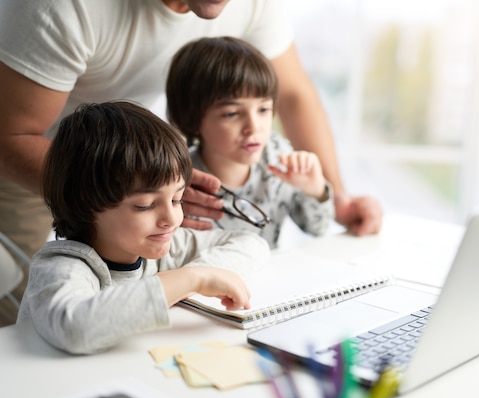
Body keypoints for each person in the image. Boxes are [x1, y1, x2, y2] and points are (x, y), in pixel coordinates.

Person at [0, 0, 382, 325]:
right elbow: (9, 136)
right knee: (21, 315)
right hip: (36, 154)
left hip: (129, 154)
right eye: (232, 113)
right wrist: (129, 189)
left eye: (177, 199)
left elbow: (294, 95)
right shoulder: (66, 8)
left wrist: (338, 197)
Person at [17, 101, 270, 354]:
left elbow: (251, 244)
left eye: (177, 199)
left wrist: (198, 276)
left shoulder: (161, 245)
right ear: (86, 202)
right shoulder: (60, 267)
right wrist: (190, 279)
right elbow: (74, 329)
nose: (171, 218)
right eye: (145, 205)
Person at [166, 36, 334, 248]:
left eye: (263, 109)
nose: (254, 127)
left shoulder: (277, 157)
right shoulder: (177, 181)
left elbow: (317, 228)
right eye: (232, 113)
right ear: (192, 119)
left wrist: (315, 189)